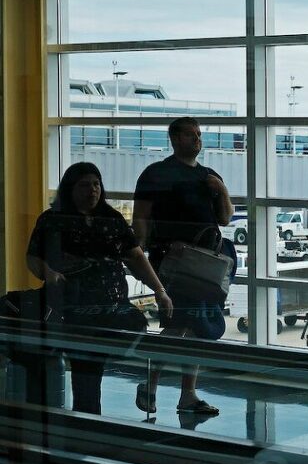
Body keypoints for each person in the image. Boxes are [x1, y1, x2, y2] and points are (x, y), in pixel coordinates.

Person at [26, 162, 173, 414]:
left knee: (97, 358)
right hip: (74, 306)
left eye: (96, 184)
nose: (92, 190)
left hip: (110, 304)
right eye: (85, 185)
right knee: (87, 365)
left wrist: (160, 291)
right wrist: (48, 273)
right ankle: (88, 417)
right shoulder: (53, 220)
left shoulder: (111, 219)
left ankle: (88, 416)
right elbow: (32, 257)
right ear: (70, 189)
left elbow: (136, 257)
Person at [132, 117, 234, 417]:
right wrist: (141, 255)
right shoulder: (157, 174)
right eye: (192, 135)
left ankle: (178, 391)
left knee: (196, 326)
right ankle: (159, 386)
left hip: (202, 263)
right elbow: (141, 218)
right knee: (180, 324)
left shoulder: (209, 177)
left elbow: (225, 218)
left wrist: (221, 190)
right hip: (174, 262)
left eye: (199, 134)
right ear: (175, 139)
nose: (198, 140)